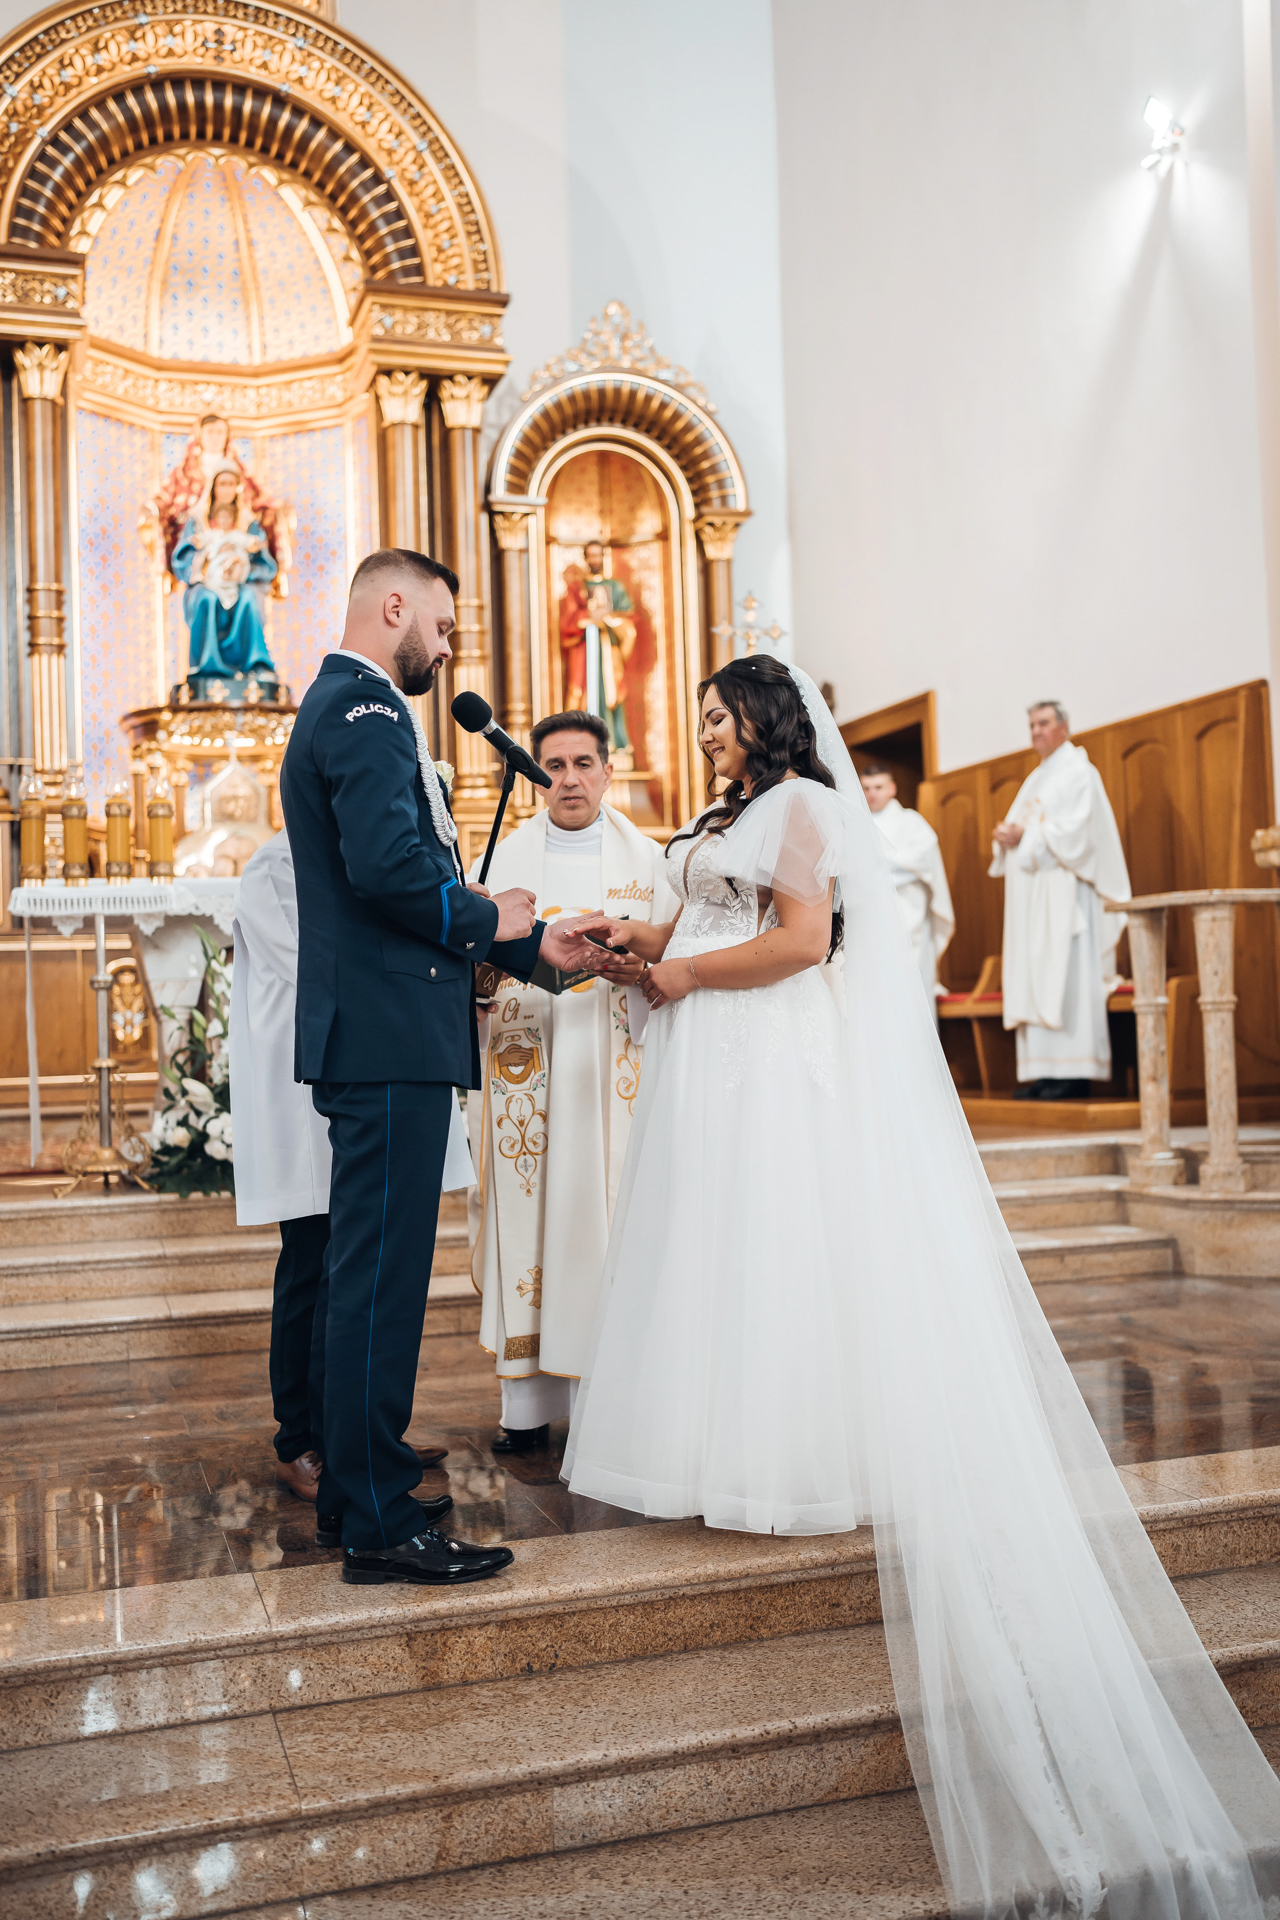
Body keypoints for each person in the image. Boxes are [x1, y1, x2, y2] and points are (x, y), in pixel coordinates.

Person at [566, 654, 1280, 1919]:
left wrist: (682, 975)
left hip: (763, 1054)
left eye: (719, 716)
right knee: (710, 1251)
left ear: (766, 719)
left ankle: (791, 1457)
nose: (706, 731)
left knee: (771, 1245)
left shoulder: (805, 805)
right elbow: (718, 918)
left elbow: (799, 942)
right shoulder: (738, 812)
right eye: (703, 718)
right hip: (712, 1052)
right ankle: (721, 1448)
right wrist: (643, 941)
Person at [279, 547, 609, 1589]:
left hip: (384, 1031)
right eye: (445, 623)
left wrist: (533, 946)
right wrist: (491, 915)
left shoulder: (352, 707)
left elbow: (400, 884)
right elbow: (388, 873)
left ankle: (356, 1490)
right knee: (379, 1283)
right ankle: (379, 1522)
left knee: (368, 1275)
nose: (450, 645)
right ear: (395, 606)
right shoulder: (364, 711)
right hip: (386, 1038)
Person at [228, 830, 466, 1515]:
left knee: (359, 1265)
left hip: (363, 1065)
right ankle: (298, 1440)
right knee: (311, 1262)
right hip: (303, 1086)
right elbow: (311, 961)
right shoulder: (273, 866)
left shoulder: (361, 855)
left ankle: (360, 1439)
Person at [467, 710, 677, 1455]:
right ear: (534, 776)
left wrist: (633, 967)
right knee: (532, 1221)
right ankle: (526, 1408)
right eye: (553, 766)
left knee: (610, 1221)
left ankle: (610, 1405)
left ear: (608, 771)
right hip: (526, 1064)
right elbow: (473, 971)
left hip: (614, 1067)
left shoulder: (653, 864)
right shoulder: (500, 862)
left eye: (583, 763)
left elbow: (674, 964)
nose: (569, 779)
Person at [991, 700, 1131, 1099]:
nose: (1036, 730)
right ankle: (1045, 1072)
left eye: (1044, 723)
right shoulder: (1037, 778)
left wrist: (1026, 837)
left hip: (1066, 895)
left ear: (1064, 727)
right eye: (1032, 724)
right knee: (1037, 975)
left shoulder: (1079, 772)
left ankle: (1074, 1072)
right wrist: (1006, 836)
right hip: (1036, 897)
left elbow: (1078, 834)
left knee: (1067, 975)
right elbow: (1024, 825)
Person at [171, 467, 278, 691]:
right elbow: (182, 559)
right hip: (207, 582)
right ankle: (207, 667)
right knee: (206, 599)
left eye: (231, 484)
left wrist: (241, 570)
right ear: (213, 488)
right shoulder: (197, 522)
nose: (226, 489)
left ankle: (255, 665)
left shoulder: (249, 524)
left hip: (240, 582)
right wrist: (205, 563)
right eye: (222, 484)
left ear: (238, 489)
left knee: (248, 597)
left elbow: (264, 564)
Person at [859, 763, 954, 1004]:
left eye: (878, 787)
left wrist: (878, 865)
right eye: (866, 788)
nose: (872, 793)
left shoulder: (911, 821)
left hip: (906, 910)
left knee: (910, 978)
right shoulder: (856, 823)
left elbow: (923, 859)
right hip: (867, 912)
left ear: (892, 788)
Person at [559, 540, 637, 755]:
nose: (595, 559)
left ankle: (616, 742)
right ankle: (584, 743)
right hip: (585, 652)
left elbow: (628, 618)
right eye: (591, 555)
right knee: (585, 692)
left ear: (603, 557)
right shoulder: (578, 589)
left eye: (598, 555)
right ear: (586, 558)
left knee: (612, 694)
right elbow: (568, 621)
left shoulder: (615, 587)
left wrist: (608, 619)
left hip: (609, 651)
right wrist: (587, 617)